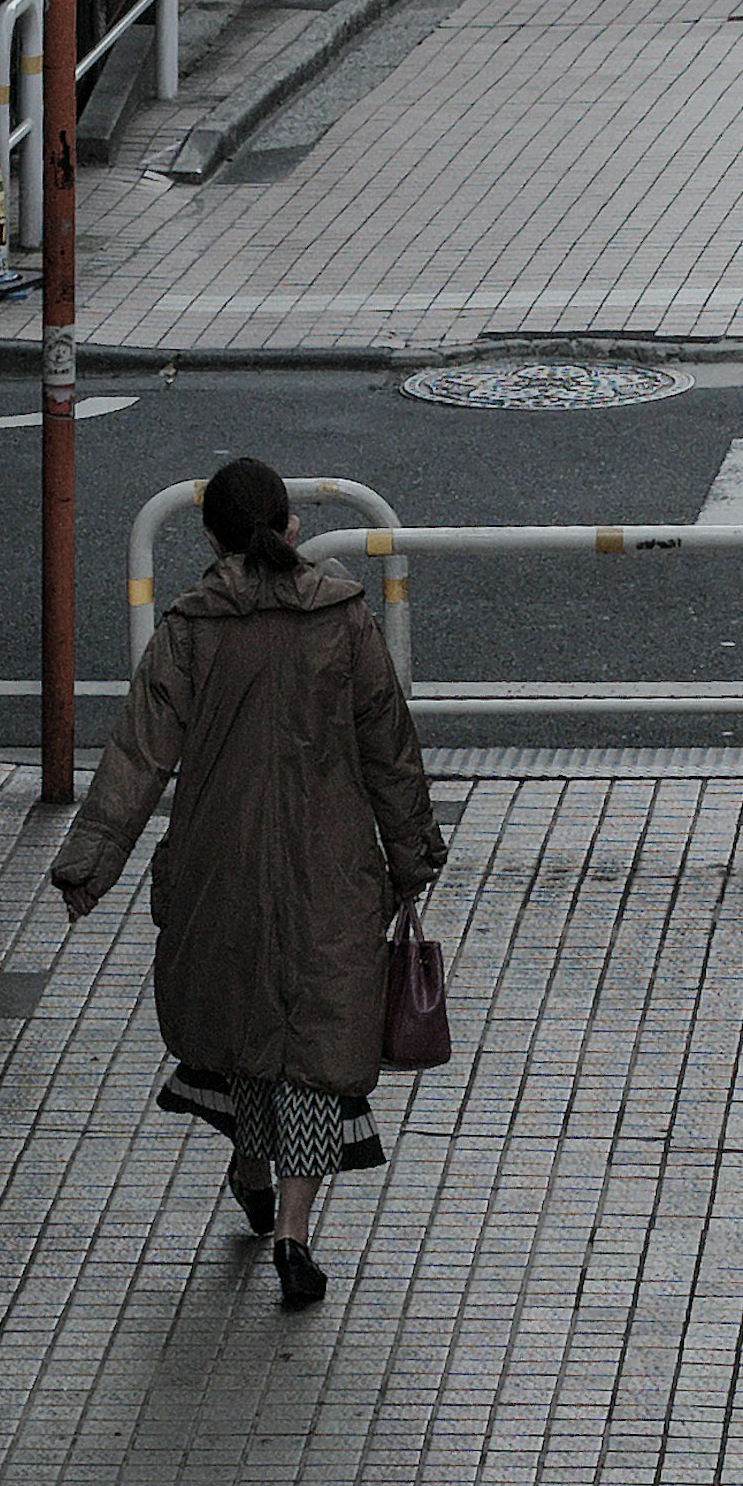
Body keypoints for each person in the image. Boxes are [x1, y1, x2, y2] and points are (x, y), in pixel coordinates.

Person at [52, 455, 447, 1311]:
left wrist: (89, 863)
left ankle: (247, 1166)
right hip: (331, 870)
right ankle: (296, 1236)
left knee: (238, 1031)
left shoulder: (191, 629)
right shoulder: (344, 621)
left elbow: (139, 753)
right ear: (292, 527)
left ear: (210, 535)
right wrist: (412, 855)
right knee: (313, 1048)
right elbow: (390, 747)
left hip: (216, 869)